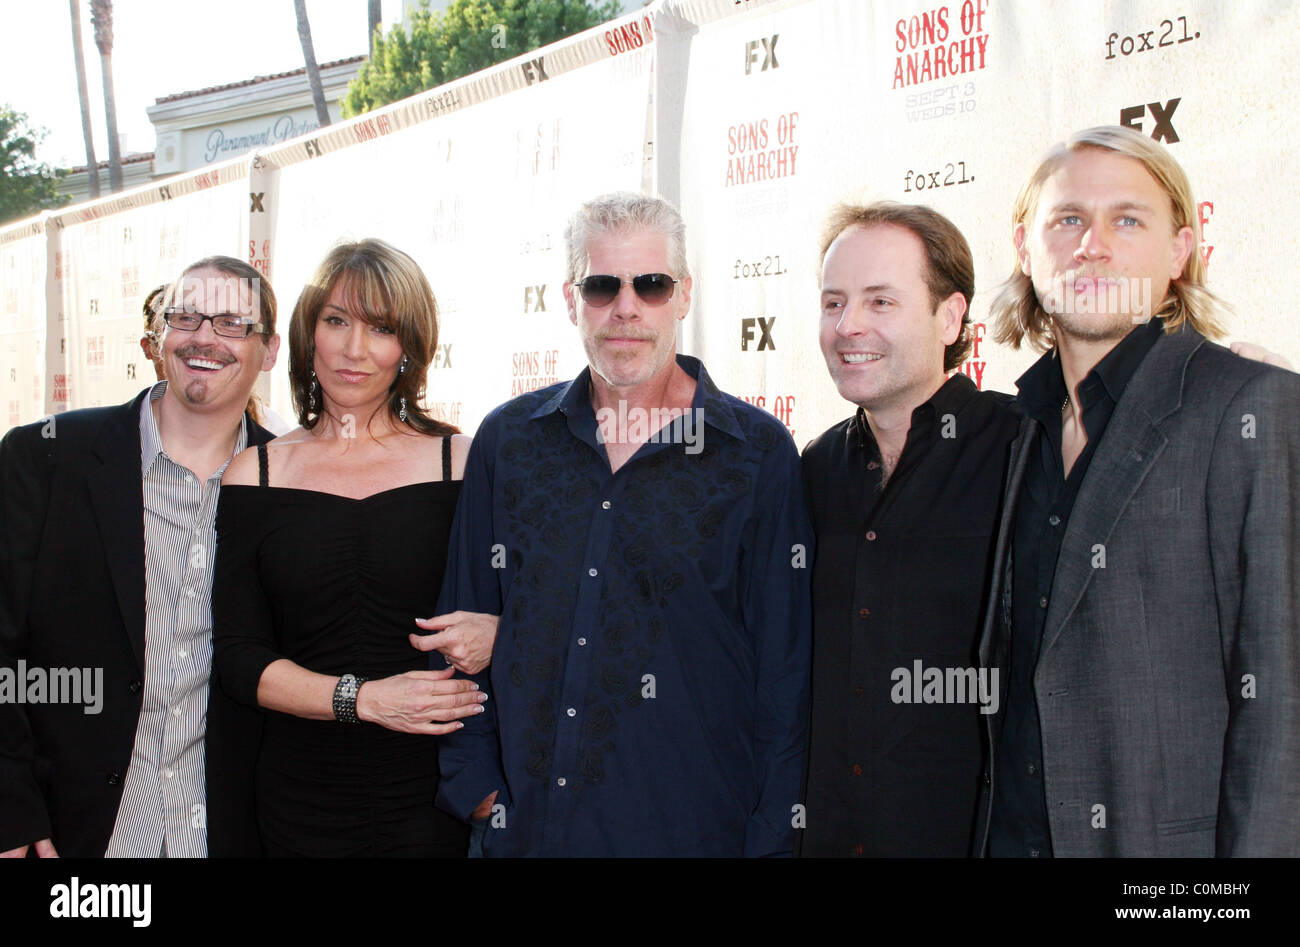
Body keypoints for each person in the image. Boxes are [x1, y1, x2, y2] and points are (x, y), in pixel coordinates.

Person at [430, 192, 813, 857]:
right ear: (569, 297)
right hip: (528, 838)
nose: (626, 307)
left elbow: (785, 674)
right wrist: (482, 794)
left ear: (685, 295)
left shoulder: (757, 455)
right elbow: (458, 631)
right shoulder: (509, 442)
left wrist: (769, 838)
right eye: (602, 286)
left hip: (694, 836)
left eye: (652, 284)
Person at [976, 125, 1300, 857]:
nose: (1094, 243)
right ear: (1027, 249)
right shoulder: (1013, 429)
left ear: (1181, 251)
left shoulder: (1250, 405)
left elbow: (1282, 704)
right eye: (1068, 219)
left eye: (1128, 219)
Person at [212, 239, 490, 857]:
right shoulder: (255, 474)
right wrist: (365, 700)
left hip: (436, 796)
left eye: (381, 328)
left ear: (410, 347)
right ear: (309, 333)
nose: (354, 349)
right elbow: (237, 656)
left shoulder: (463, 464)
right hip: (297, 798)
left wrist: (499, 628)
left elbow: (535, 611)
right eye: (336, 320)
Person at [0, 255, 280, 857]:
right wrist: (11, 814)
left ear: (271, 350)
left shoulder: (289, 486)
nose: (205, 336)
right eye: (187, 316)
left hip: (228, 835)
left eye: (232, 323)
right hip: (74, 839)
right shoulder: (46, 460)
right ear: (159, 334)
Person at [799, 203, 1021, 857]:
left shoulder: (1022, 449)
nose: (848, 326)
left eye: (881, 302)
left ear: (950, 316)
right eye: (833, 302)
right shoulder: (815, 468)